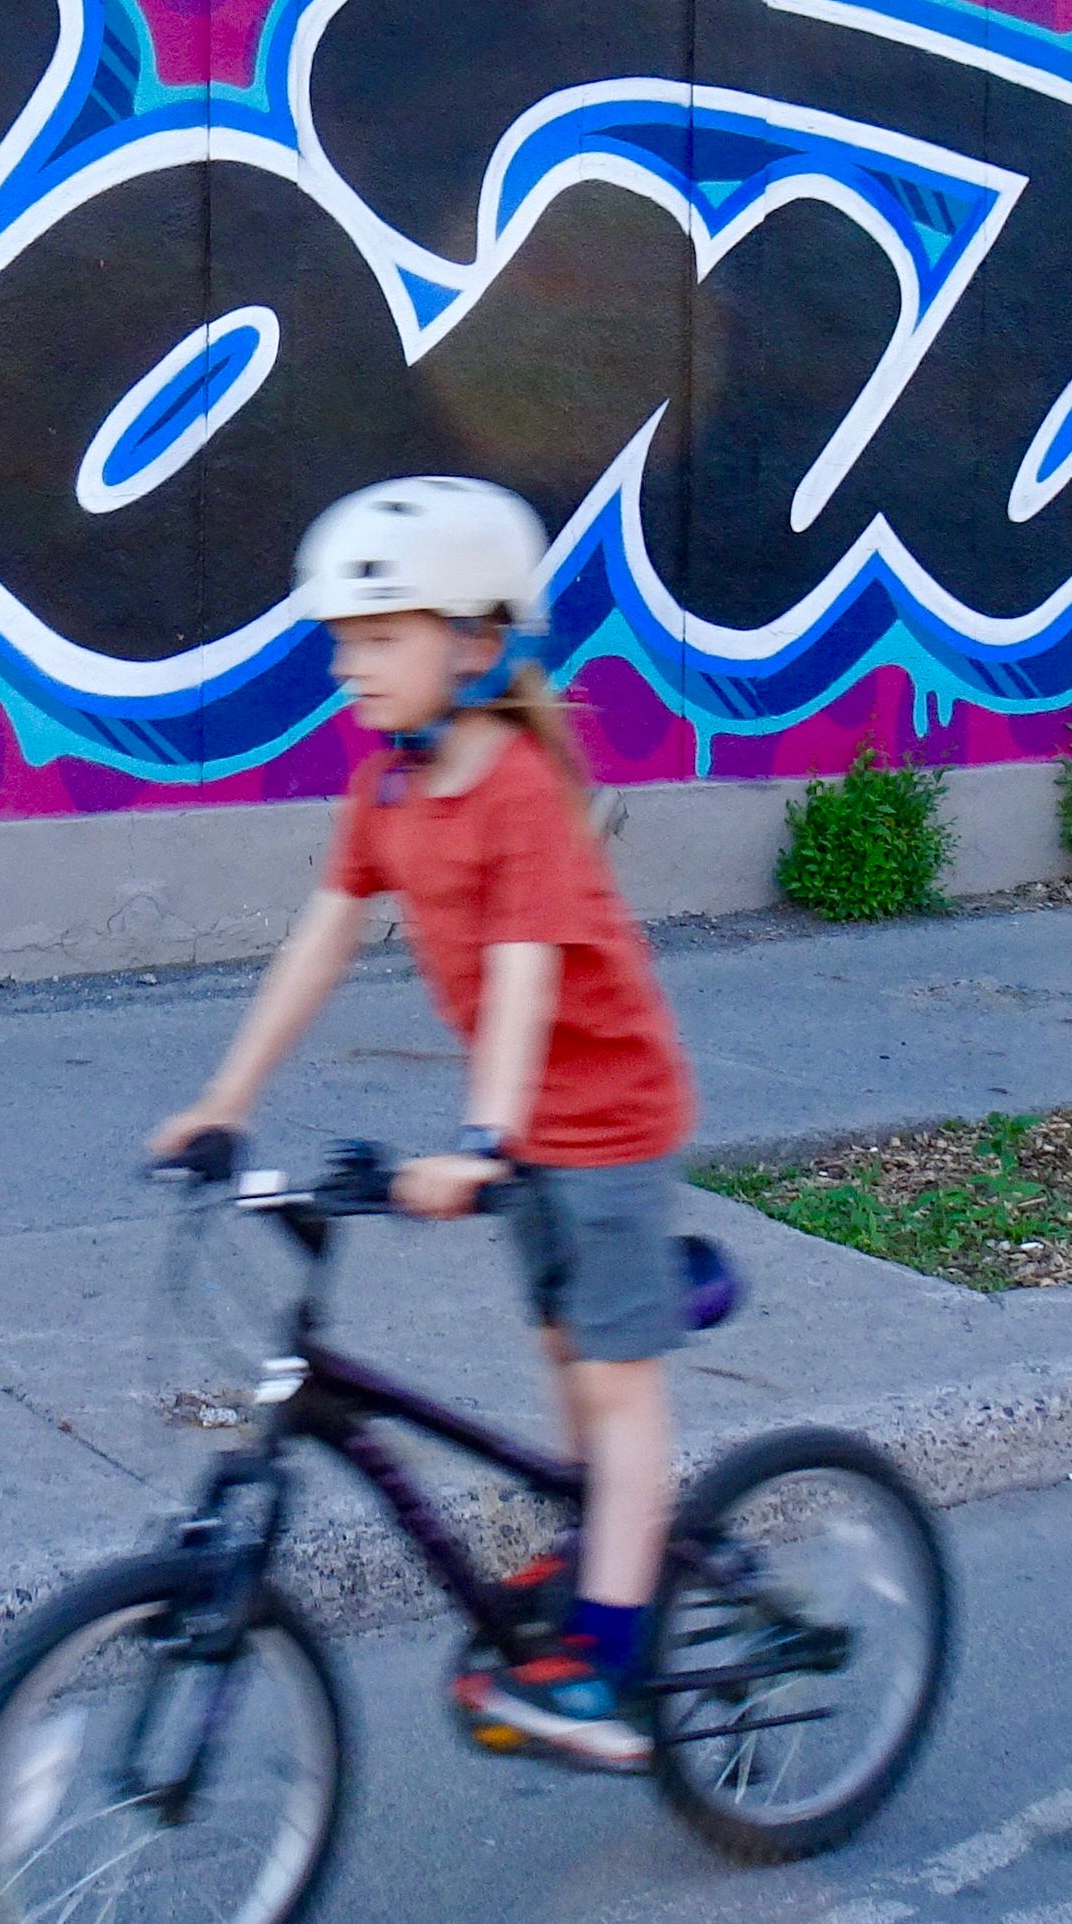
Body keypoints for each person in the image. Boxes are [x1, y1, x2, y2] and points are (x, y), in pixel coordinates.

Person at [149, 477, 698, 1772]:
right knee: (567, 1352)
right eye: (342, 640)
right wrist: (226, 1102)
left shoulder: (515, 789)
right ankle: (593, 1535)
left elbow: (520, 970)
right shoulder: (389, 790)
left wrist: (486, 1135)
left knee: (617, 1393)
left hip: (607, 1120)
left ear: (475, 640)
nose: (351, 666)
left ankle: (610, 1667)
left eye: (380, 636)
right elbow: (321, 939)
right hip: (528, 1142)